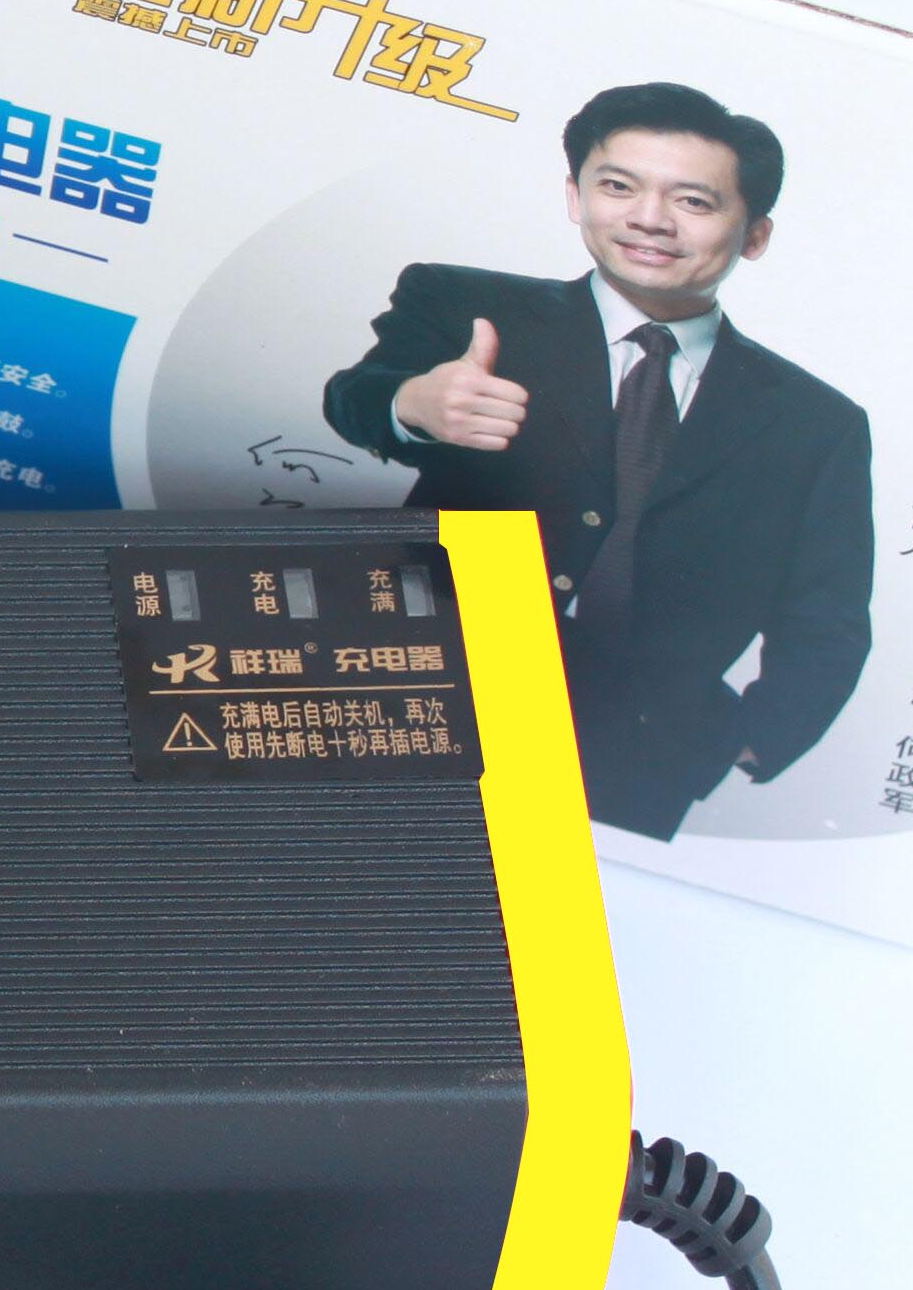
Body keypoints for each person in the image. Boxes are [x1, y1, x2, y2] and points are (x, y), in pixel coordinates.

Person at [322, 81, 872, 840]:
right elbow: (355, 398)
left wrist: (750, 740)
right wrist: (414, 402)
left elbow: (827, 614)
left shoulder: (817, 422)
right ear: (575, 197)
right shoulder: (465, 305)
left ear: (754, 235)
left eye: (693, 201)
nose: (649, 218)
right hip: (416, 684)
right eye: (618, 187)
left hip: (629, 759)